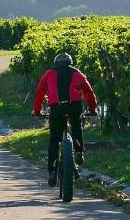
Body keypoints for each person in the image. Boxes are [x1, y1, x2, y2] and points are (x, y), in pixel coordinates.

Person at [32, 52, 98, 186]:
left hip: (56, 109)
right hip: (74, 107)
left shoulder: (49, 73)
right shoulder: (78, 73)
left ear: (56, 63)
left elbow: (40, 93)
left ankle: (52, 171)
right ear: (70, 63)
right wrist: (92, 110)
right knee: (76, 127)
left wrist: (37, 111)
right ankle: (79, 152)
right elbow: (89, 93)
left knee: (54, 139)